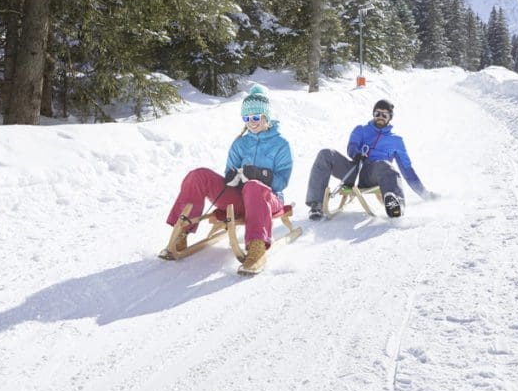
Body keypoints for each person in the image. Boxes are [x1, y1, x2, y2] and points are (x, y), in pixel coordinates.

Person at [162, 84, 293, 273]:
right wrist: (232, 177)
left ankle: (257, 247)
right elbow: (229, 173)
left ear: (267, 117)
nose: (252, 122)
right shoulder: (240, 144)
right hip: (240, 200)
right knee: (198, 176)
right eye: (247, 118)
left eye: (256, 117)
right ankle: (182, 231)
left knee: (254, 187)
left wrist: (260, 175)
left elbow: (283, 181)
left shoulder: (281, 144)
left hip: (269, 199)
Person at [304, 99, 434, 220]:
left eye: (385, 115)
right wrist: (356, 153)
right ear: (373, 113)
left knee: (386, 166)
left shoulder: (396, 141)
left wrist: (424, 194)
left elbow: (407, 170)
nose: (380, 117)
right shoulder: (361, 130)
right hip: (353, 170)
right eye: (377, 113)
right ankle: (316, 205)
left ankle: (396, 205)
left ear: (390, 118)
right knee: (325, 154)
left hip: (373, 174)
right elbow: (352, 146)